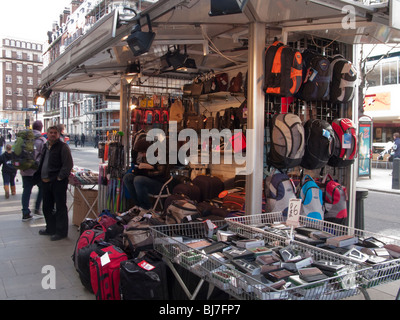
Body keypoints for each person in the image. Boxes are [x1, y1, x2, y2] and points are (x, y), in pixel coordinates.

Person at [34, 126, 73, 241]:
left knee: (60, 207)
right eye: (50, 132)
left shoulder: (63, 147)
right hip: (45, 181)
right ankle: (50, 228)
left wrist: (60, 177)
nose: (52, 134)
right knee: (47, 207)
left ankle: (61, 232)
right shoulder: (46, 146)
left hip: (57, 182)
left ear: (58, 134)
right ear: (48, 134)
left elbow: (68, 164)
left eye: (55, 133)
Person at [122, 138, 170, 210]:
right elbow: (144, 172)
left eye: (143, 153)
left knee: (138, 180)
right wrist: (138, 171)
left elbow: (161, 173)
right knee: (127, 177)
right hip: (148, 181)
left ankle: (146, 207)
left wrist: (148, 171)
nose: (142, 155)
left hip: (160, 184)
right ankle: (138, 205)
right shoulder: (146, 156)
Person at [20, 120, 47, 221]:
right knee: (42, 188)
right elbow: (45, 156)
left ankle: (25, 213)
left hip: (25, 169)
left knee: (26, 190)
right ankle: (37, 208)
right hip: (37, 171)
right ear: (41, 128)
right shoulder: (42, 140)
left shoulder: (24, 139)